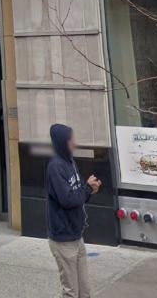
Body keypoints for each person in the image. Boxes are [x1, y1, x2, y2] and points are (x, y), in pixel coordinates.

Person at [45, 123, 99, 298]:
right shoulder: (55, 167)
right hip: (63, 238)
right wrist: (87, 189)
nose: (75, 143)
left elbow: (78, 193)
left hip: (76, 234)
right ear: (63, 142)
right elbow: (67, 199)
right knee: (71, 291)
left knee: (84, 289)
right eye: (71, 140)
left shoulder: (70, 162)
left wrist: (90, 189)